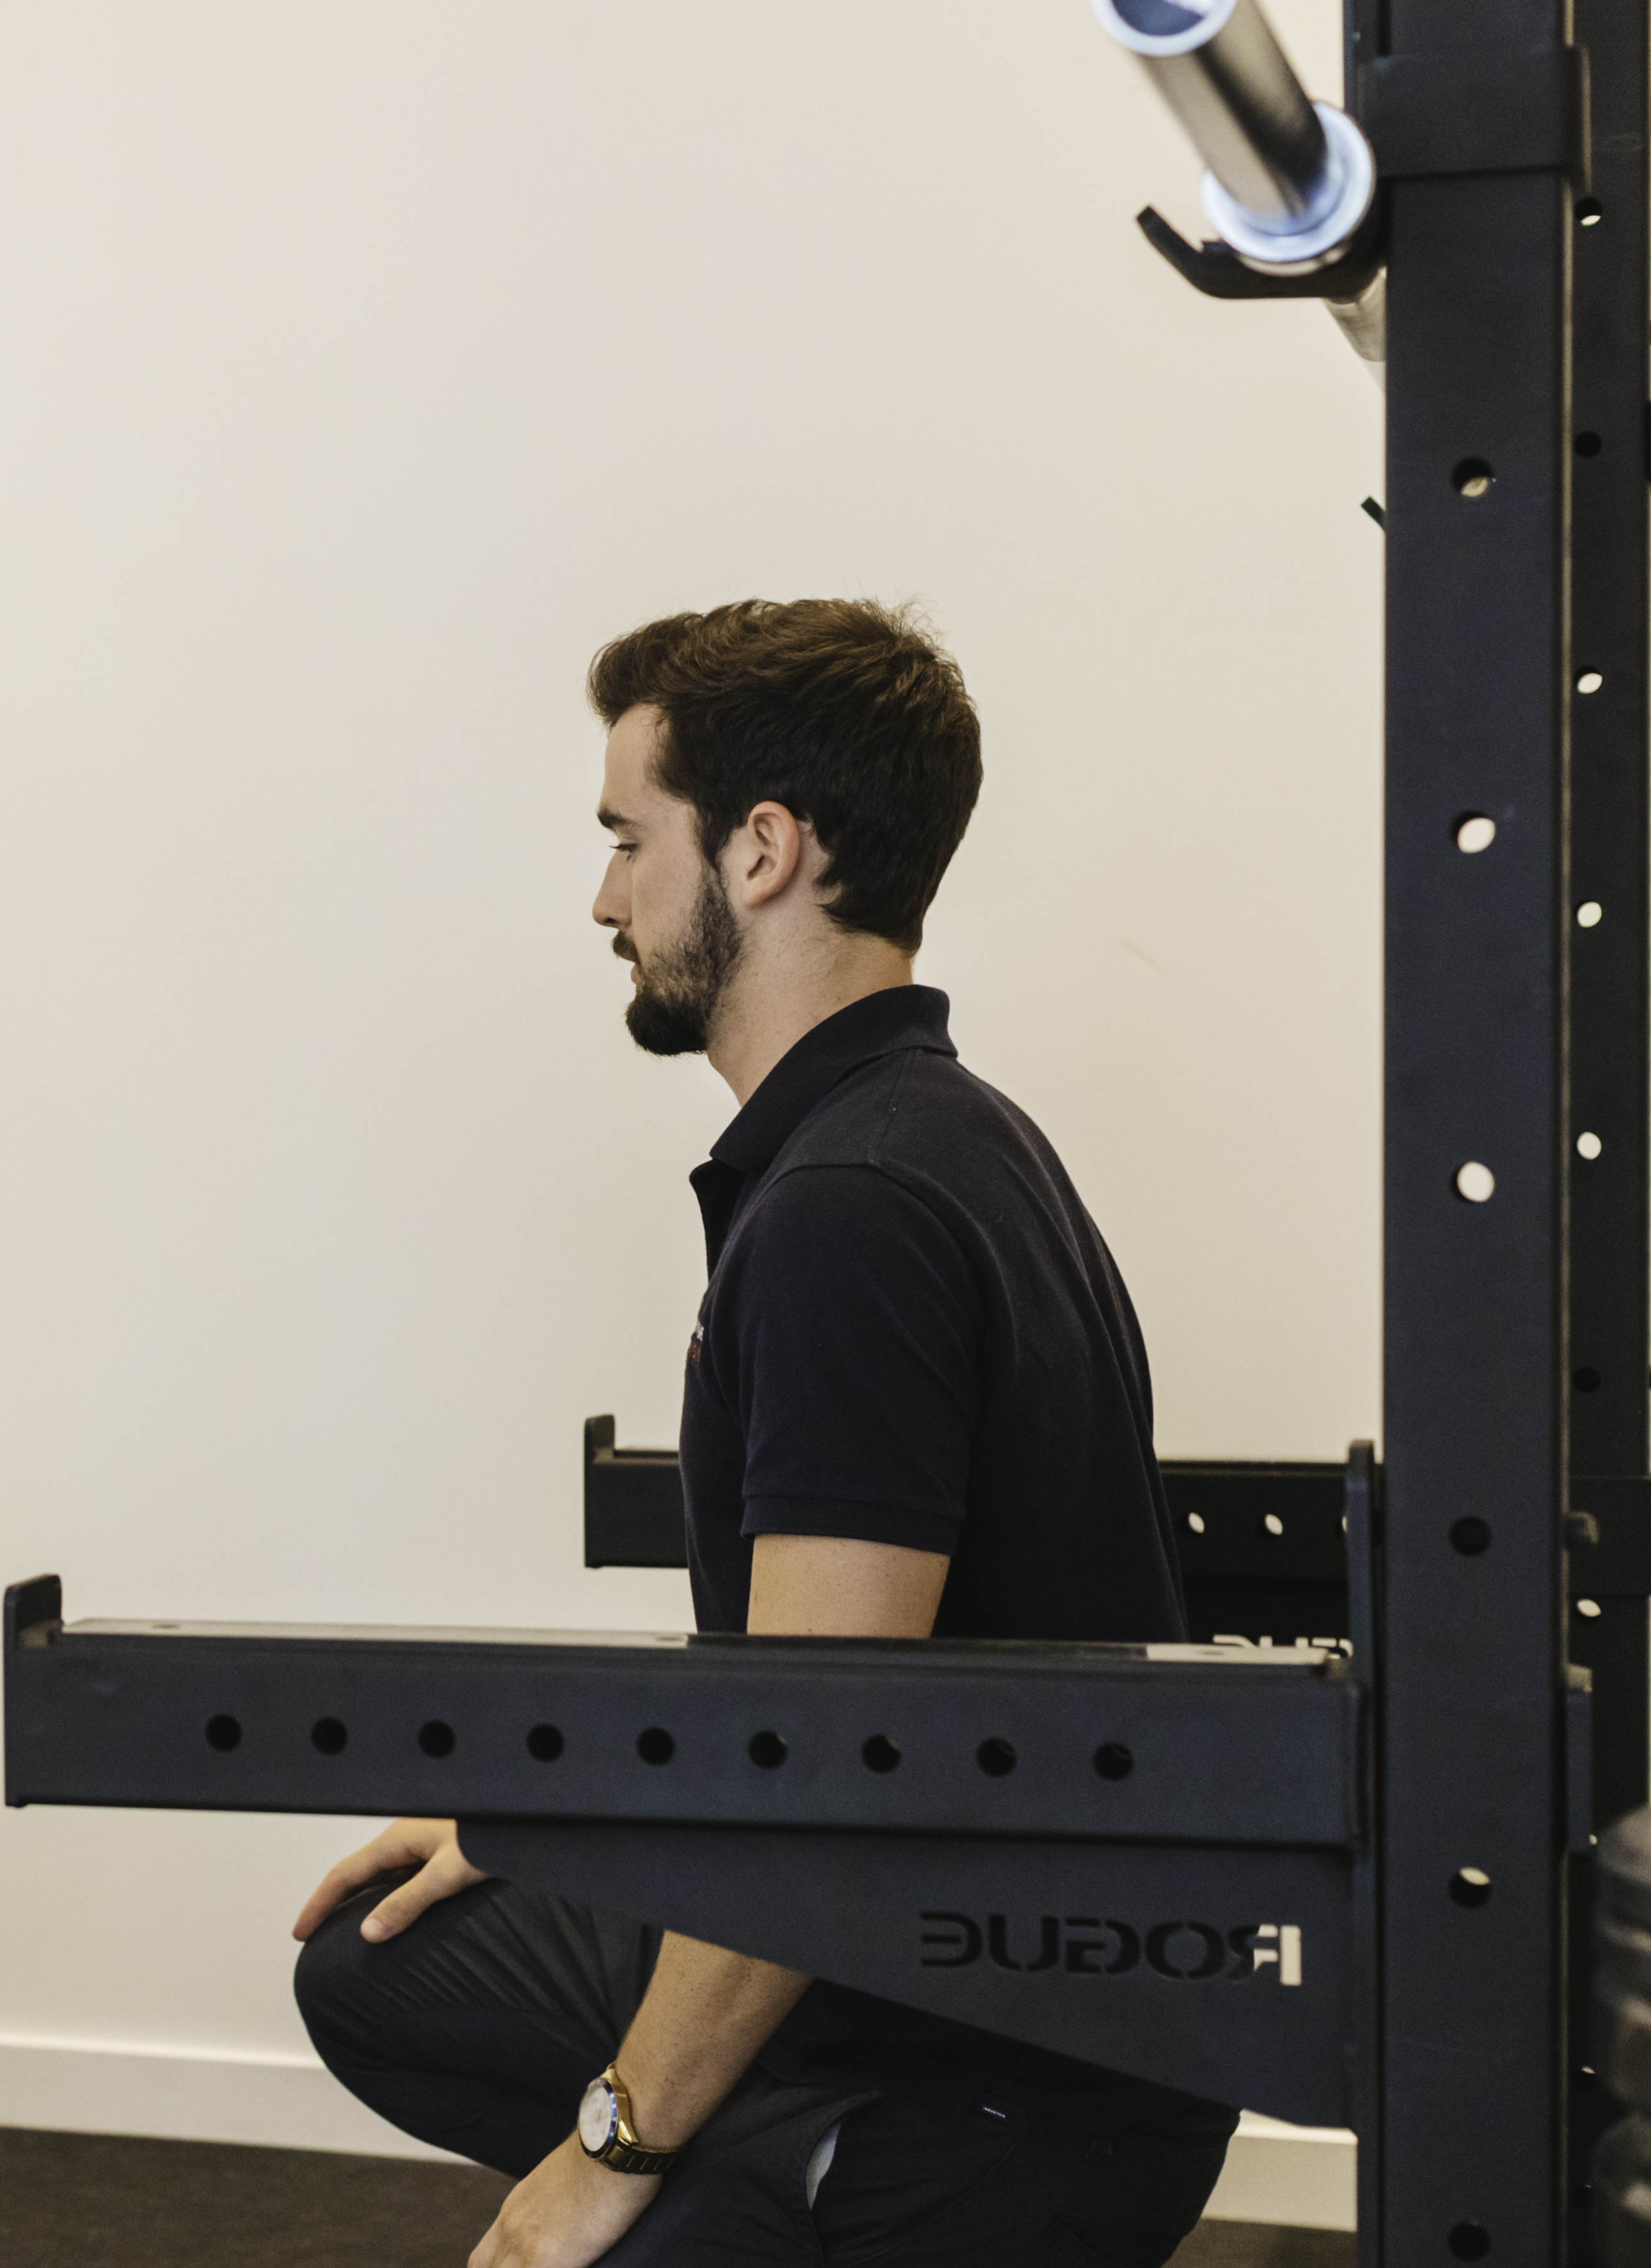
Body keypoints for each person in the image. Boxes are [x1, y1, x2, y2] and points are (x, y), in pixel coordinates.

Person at [289, 601, 1236, 2266]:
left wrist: (605, 2156)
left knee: (599, 2174)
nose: (601, 897)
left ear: (764, 850)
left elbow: (819, 1766)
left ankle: (781, 2198)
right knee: (395, 1948)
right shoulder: (938, 1135)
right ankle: (759, 2192)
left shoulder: (852, 1208)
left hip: (1003, 2086)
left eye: (625, 840)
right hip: (1038, 2003)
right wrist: (559, 1816)